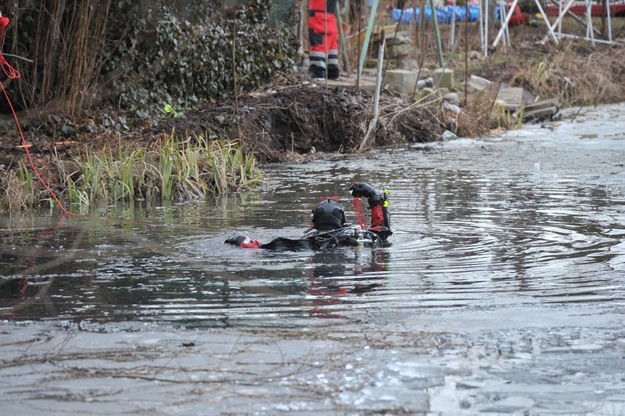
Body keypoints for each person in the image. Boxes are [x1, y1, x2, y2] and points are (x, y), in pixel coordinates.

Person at [225, 182, 392, 250]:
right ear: (342, 221)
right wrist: (374, 196)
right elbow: (382, 231)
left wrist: (239, 238)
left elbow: (257, 248)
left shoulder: (304, 243)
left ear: (314, 222)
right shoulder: (359, 240)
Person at [308, 0, 340, 80]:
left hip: (318, 18)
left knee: (318, 45)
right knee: (332, 46)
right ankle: (332, 70)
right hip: (330, 18)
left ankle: (317, 71)